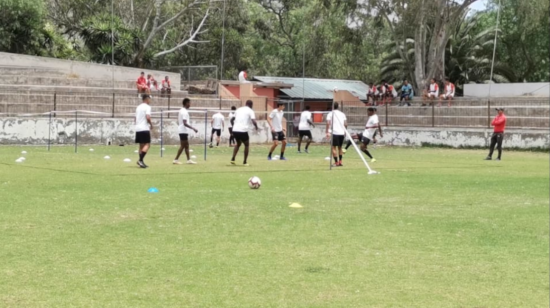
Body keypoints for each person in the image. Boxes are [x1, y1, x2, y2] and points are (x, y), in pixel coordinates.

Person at [231, 100, 258, 166]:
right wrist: (256, 127)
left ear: (246, 104)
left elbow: (231, 119)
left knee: (238, 144)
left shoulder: (238, 109)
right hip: (243, 130)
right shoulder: (250, 111)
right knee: (246, 145)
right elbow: (254, 121)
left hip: (235, 130)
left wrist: (234, 126)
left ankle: (233, 159)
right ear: (251, 105)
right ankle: (245, 162)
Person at [174, 98, 198, 165]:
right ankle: (176, 159)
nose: (190, 105)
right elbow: (185, 123)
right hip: (183, 131)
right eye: (189, 103)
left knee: (186, 145)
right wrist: (193, 128)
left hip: (182, 130)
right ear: (186, 103)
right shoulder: (184, 112)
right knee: (183, 145)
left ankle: (188, 160)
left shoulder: (181, 110)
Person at [326, 102, 347, 167]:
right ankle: (340, 161)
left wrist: (327, 131)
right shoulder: (342, 114)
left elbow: (328, 123)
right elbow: (345, 124)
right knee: (340, 147)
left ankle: (336, 162)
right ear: (338, 106)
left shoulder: (330, 113)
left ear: (332, 106)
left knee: (333, 147)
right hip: (341, 133)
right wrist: (345, 132)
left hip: (335, 133)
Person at [135, 94, 153, 168]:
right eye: (149, 99)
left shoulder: (138, 107)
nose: (150, 100)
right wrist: (151, 124)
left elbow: (135, 118)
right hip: (144, 128)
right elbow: (148, 117)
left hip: (138, 128)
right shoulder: (147, 107)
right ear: (147, 99)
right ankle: (140, 160)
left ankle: (141, 162)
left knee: (141, 145)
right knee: (147, 144)